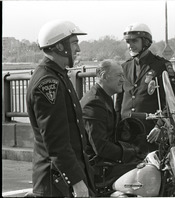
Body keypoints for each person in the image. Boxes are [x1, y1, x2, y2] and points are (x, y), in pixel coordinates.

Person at [26, 19, 95, 197]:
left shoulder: (57, 75)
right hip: (56, 183)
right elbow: (56, 141)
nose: (78, 49)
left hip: (63, 180)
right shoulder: (48, 82)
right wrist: (76, 182)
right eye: (74, 43)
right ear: (59, 47)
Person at [80, 60, 145, 194]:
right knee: (144, 174)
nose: (123, 79)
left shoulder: (104, 97)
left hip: (104, 163)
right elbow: (100, 146)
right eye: (119, 76)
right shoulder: (94, 102)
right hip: (96, 168)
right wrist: (131, 153)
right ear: (104, 76)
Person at [115, 22, 175, 152]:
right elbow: (119, 101)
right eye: (128, 42)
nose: (130, 45)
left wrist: (160, 126)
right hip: (127, 133)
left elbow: (170, 100)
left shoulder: (161, 66)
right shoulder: (124, 67)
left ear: (146, 42)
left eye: (134, 41)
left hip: (151, 132)